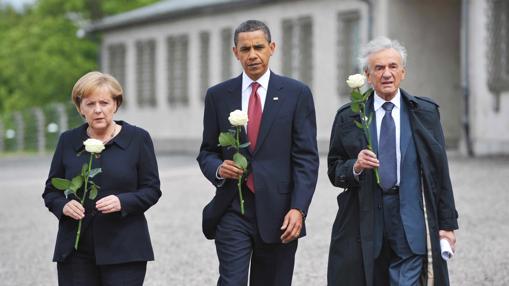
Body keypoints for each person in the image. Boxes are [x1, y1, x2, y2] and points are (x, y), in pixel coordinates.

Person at [327, 37, 459, 285]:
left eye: (393, 66)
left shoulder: (425, 113)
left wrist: (447, 225)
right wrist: (355, 166)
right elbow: (334, 170)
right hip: (364, 221)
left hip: (411, 218)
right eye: (379, 68)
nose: (386, 73)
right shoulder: (349, 116)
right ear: (367, 75)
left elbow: (439, 173)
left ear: (403, 72)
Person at [197, 20, 319, 286]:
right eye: (245, 49)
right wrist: (218, 168)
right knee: (232, 282)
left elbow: (306, 158)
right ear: (235, 52)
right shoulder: (218, 96)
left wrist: (299, 208)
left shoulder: (296, 94)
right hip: (232, 207)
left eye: (258, 47)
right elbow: (206, 152)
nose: (252, 55)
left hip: (280, 213)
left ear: (271, 48)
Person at [43, 71, 161, 286]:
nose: (97, 110)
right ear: (80, 108)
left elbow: (152, 190)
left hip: (125, 249)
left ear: (115, 104)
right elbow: (51, 190)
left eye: (104, 103)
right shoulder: (68, 141)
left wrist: (122, 201)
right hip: (75, 249)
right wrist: (64, 206)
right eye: (90, 104)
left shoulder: (138, 138)